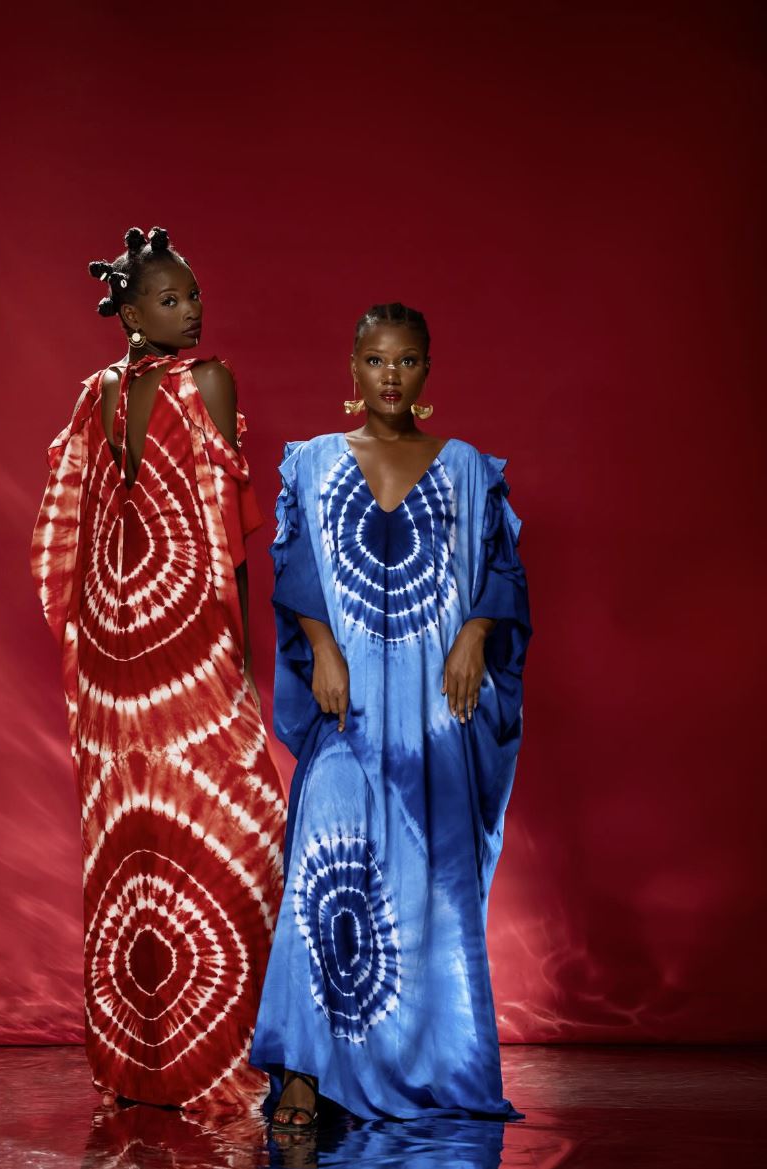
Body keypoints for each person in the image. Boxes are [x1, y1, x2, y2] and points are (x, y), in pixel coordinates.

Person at [250, 302, 531, 1127]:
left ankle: (427, 1060)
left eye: (406, 361)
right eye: (376, 360)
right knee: (325, 863)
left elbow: (501, 565)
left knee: (430, 884)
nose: (390, 376)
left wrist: (475, 632)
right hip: (350, 705)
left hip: (434, 708)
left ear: (427, 369)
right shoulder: (312, 461)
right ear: (353, 366)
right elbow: (292, 559)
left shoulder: (467, 467)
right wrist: (320, 645)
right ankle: (303, 1067)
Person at [31, 226, 286, 1110]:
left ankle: (141, 1065)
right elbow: (223, 535)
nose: (193, 310)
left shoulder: (93, 397)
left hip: (113, 650)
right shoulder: (207, 380)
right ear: (131, 314)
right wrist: (240, 654)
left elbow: (67, 532)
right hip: (185, 643)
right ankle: (221, 1062)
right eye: (172, 299)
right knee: (229, 830)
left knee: (133, 839)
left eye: (194, 294)